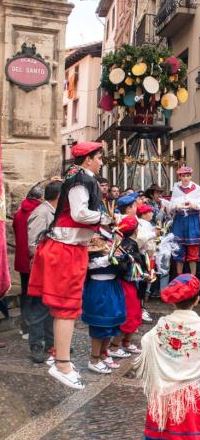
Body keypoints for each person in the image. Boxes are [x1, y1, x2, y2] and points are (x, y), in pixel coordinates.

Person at [27, 142, 111, 389]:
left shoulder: (80, 178)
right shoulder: (80, 180)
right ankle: (62, 364)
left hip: (69, 248)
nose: (101, 162)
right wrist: (105, 218)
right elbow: (79, 214)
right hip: (66, 249)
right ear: (87, 160)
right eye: (99, 158)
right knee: (66, 309)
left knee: (65, 308)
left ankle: (61, 359)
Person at [135, 273, 200, 440]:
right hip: (192, 395)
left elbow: (147, 341)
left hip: (163, 392)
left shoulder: (163, 324)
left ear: (173, 301)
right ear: (197, 299)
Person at [26, 180, 62, 363]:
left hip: (53, 268)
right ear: (58, 195)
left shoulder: (53, 211)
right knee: (39, 309)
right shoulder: (41, 213)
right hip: (43, 269)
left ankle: (50, 342)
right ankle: (36, 345)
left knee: (51, 308)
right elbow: (33, 245)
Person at [82, 235, 126, 374]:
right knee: (99, 326)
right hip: (98, 289)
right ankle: (94, 359)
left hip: (112, 288)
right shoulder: (91, 257)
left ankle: (103, 353)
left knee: (112, 324)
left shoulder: (113, 245)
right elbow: (93, 265)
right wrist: (109, 256)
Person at [108, 216, 147, 358]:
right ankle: (114, 346)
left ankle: (126, 342)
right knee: (130, 315)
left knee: (134, 313)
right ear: (135, 230)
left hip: (127, 284)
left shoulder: (121, 243)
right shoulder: (130, 245)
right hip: (128, 285)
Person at [13, 185, 43, 338]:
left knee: (25, 293)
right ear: (40, 198)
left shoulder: (18, 213)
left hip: (21, 258)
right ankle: (33, 328)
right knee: (36, 295)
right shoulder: (40, 212)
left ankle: (24, 327)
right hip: (34, 259)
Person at [170, 166, 200, 276]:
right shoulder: (176, 188)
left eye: (187, 175)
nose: (185, 178)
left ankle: (193, 278)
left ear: (190, 176)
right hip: (180, 220)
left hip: (193, 219)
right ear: (180, 176)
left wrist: (194, 205)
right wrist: (177, 206)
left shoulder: (197, 188)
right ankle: (179, 277)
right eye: (183, 176)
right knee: (178, 249)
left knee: (193, 249)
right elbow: (171, 205)